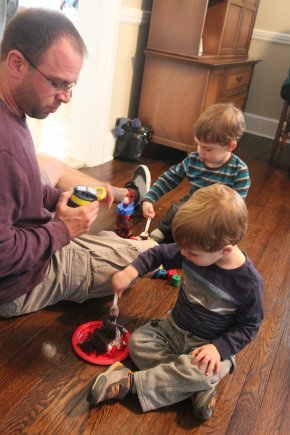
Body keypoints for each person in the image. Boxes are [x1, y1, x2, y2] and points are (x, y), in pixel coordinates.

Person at [0, 8, 156, 318]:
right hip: (17, 284)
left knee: (48, 166)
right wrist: (62, 230)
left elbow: (19, 189)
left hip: (30, 237)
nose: (67, 97)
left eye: (71, 85)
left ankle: (127, 196)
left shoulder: (11, 108)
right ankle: (135, 212)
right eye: (58, 83)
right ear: (16, 63)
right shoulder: (5, 151)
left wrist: (57, 198)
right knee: (149, 254)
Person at [87, 184, 264, 421]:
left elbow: (249, 327)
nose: (184, 256)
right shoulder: (194, 248)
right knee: (137, 342)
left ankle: (130, 383)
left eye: (191, 254)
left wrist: (218, 348)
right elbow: (157, 254)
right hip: (174, 329)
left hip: (210, 346)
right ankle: (193, 387)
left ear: (225, 250)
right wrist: (131, 272)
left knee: (204, 369)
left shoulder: (248, 284)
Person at [142, 103, 250, 243]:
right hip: (192, 205)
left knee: (213, 235)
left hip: (218, 214)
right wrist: (149, 198)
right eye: (198, 144)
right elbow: (170, 177)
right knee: (176, 211)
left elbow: (236, 208)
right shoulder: (193, 160)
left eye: (208, 149)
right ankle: (164, 229)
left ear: (230, 146)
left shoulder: (239, 171)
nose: (200, 151)